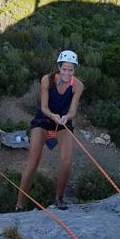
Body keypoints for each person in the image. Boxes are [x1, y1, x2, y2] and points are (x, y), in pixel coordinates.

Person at [16, 50, 84, 211]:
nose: (67, 73)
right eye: (64, 69)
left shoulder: (78, 86)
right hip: (45, 118)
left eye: (71, 69)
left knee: (67, 161)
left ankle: (59, 198)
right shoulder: (47, 80)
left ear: (75, 69)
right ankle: (19, 204)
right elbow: (44, 107)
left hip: (63, 120)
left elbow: (73, 110)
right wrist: (53, 116)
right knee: (33, 161)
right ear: (59, 67)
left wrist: (67, 117)